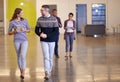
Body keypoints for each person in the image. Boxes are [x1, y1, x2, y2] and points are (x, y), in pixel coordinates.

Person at [35, 5, 59, 80]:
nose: (41, 11)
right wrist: (40, 34)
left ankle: (49, 70)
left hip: (52, 40)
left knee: (50, 57)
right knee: (46, 57)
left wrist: (47, 35)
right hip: (43, 41)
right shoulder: (39, 19)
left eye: (42, 10)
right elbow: (36, 30)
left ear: (46, 10)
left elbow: (56, 31)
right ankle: (46, 73)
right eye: (41, 10)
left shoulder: (54, 19)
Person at [8, 8, 30, 80]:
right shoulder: (12, 22)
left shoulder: (25, 20)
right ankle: (21, 70)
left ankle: (23, 72)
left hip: (24, 40)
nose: (23, 14)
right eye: (21, 13)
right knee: (18, 56)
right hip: (16, 41)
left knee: (22, 55)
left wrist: (25, 30)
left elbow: (29, 30)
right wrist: (14, 31)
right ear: (17, 14)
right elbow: (9, 33)